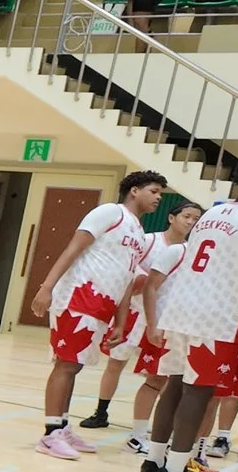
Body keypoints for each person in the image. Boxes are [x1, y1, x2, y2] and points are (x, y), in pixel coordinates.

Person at [139, 153, 238, 472]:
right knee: (198, 393)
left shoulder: (212, 212)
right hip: (218, 316)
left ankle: (153, 462)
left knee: (175, 385)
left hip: (182, 309)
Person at [30, 170, 166, 457]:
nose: (158, 198)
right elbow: (73, 249)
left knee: (75, 366)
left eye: (160, 193)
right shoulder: (109, 212)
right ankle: (50, 434)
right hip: (78, 297)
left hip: (102, 306)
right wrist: (47, 287)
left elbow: (128, 278)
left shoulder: (139, 232)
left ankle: (62, 426)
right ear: (134, 191)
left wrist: (121, 320)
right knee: (66, 365)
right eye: (154, 191)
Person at [93, 199, 201, 438]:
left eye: (196, 219)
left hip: (162, 319)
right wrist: (139, 279)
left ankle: (157, 426)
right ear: (172, 218)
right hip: (134, 311)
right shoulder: (149, 240)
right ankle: (101, 411)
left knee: (159, 376)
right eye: (187, 216)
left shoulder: (191, 252)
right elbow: (130, 267)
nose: (191, 222)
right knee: (116, 363)